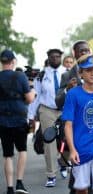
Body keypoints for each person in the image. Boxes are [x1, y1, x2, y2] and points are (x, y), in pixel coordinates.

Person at [55, 40, 93, 194]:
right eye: (88, 70)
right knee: (80, 188)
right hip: (78, 141)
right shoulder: (68, 78)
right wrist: (68, 89)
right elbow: (59, 103)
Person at [28, 48, 67, 187]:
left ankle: (63, 162)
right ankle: (51, 175)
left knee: (67, 139)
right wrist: (31, 115)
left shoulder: (67, 73)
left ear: (61, 58)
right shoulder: (42, 74)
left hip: (65, 110)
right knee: (49, 141)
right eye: (52, 57)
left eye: (57, 56)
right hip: (47, 110)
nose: (55, 59)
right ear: (48, 58)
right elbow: (36, 96)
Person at [0, 49, 35, 194]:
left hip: (2, 121)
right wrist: (32, 89)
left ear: (2, 62)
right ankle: (19, 183)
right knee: (22, 150)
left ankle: (9, 188)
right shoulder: (20, 76)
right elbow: (29, 99)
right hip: (20, 120)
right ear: (13, 61)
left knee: (7, 155)